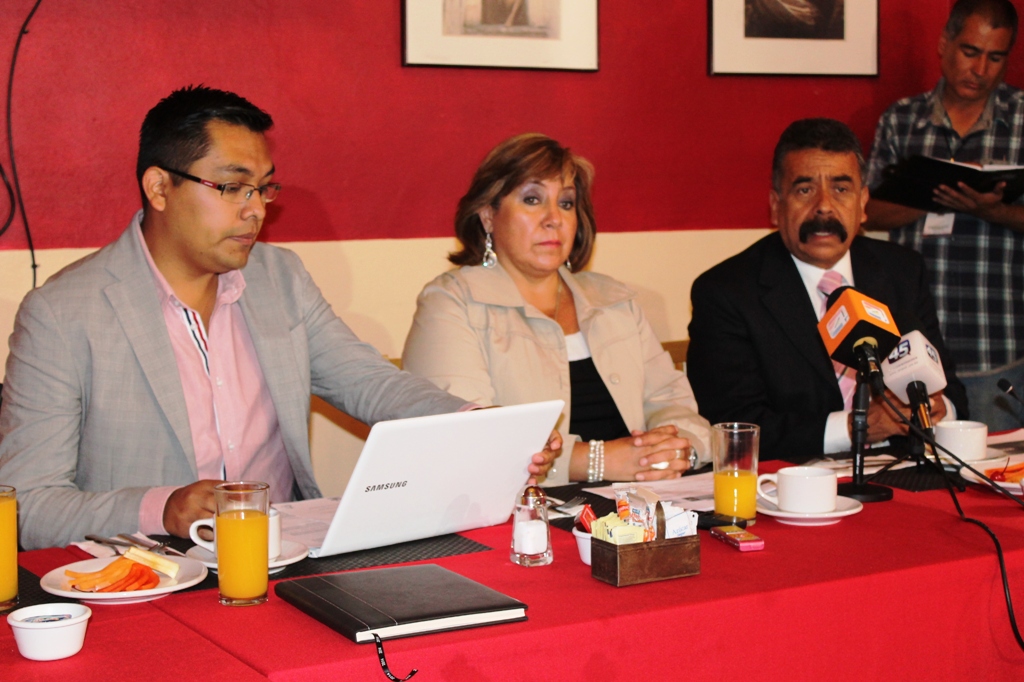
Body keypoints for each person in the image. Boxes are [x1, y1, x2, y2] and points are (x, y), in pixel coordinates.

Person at [0, 86, 558, 550]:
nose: (256, 210)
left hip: (286, 556)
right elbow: (29, 506)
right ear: (159, 187)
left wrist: (478, 423)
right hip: (147, 573)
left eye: (263, 188)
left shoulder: (281, 279)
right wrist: (163, 507)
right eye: (232, 187)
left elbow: (369, 382)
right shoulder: (63, 314)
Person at [402, 133, 711, 485]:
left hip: (640, 501)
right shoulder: (450, 302)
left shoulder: (613, 299)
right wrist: (596, 461)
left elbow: (672, 402)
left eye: (566, 203)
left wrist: (677, 449)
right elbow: (467, 440)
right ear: (488, 216)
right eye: (532, 199)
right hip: (523, 509)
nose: (553, 218)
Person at [688, 118, 968, 462]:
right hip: (795, 477)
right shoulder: (727, 292)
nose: (824, 206)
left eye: (841, 189)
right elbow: (733, 427)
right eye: (804, 190)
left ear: (862, 204)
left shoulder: (902, 271)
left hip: (904, 468)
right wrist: (856, 427)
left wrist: (938, 409)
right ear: (776, 206)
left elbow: (953, 393)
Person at [865, 0, 1024, 431]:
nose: (981, 69)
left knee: (997, 469)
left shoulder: (1021, 119)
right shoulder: (902, 120)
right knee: (915, 468)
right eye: (970, 52)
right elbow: (865, 212)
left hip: (997, 344)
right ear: (944, 44)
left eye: (996, 57)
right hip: (912, 349)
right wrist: (934, 193)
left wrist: (995, 211)